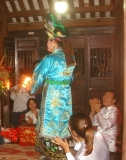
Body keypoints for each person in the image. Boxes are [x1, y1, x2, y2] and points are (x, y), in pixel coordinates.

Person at [30, 12, 75, 159]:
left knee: (49, 121)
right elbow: (71, 78)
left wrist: (33, 89)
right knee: (62, 121)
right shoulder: (70, 57)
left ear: (54, 42)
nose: (47, 44)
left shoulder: (50, 58)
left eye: (48, 42)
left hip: (52, 94)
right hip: (65, 94)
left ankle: (50, 153)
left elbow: (38, 77)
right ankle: (63, 150)